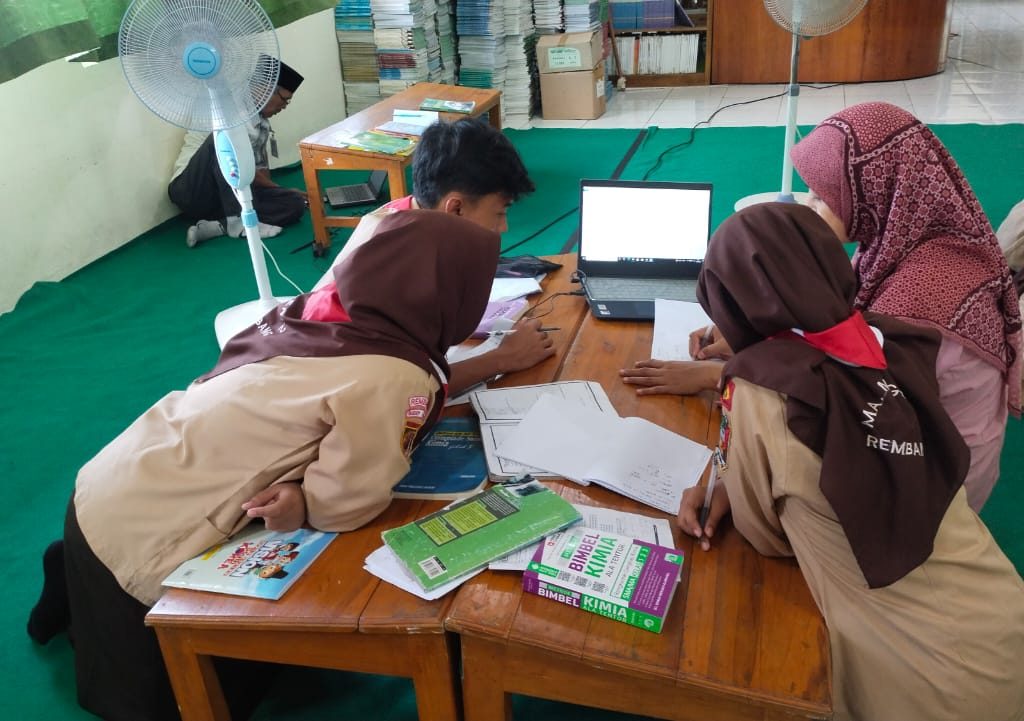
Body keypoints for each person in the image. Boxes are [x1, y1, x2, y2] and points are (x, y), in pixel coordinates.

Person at [26, 210, 499, 721]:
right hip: (143, 540)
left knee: (101, 564)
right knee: (182, 695)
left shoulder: (319, 311)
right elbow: (345, 503)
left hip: (110, 476)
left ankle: (72, 584)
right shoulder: (395, 376)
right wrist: (304, 502)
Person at [678, 202, 1024, 721]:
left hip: (924, 678)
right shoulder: (893, 338)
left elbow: (766, 536)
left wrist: (735, 476)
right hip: (1001, 615)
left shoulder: (762, 392)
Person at [624, 101, 1022, 511]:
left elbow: (847, 396)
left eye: (821, 198)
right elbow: (840, 326)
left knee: (766, 438)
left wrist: (720, 376)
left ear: (876, 191)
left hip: (930, 481)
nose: (808, 208)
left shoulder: (921, 296)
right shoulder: (899, 240)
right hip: (897, 421)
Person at [308, 117, 555, 396]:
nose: (503, 227)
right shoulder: (400, 273)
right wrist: (504, 358)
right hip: (332, 385)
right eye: (500, 212)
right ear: (456, 208)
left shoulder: (400, 215)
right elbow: (407, 391)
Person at [168, 59, 308, 248]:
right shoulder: (227, 108)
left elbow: (258, 168)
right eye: (284, 99)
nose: (285, 106)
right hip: (192, 190)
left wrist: (280, 192)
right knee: (223, 139)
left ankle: (221, 225)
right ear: (265, 89)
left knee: (295, 204)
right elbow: (241, 166)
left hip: (223, 196)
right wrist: (276, 189)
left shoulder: (261, 120)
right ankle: (237, 221)